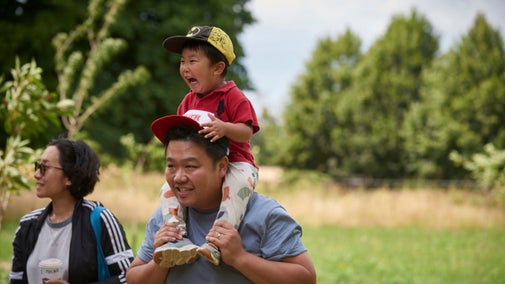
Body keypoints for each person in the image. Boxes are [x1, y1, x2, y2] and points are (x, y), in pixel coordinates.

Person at [125, 114, 316, 283]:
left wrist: (240, 259)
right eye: (171, 166)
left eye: (190, 166)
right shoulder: (166, 217)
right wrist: (162, 261)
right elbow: (133, 278)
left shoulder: (264, 214)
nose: (178, 177)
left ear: (222, 166)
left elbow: (306, 278)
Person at [155, 25, 260, 267]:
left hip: (236, 163)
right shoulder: (188, 100)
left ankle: (216, 243)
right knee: (166, 190)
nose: (185, 68)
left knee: (236, 188)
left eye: (193, 61)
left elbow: (247, 132)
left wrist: (225, 128)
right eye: (182, 62)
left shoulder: (233, 96)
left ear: (218, 67)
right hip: (200, 168)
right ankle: (175, 236)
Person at [10, 137, 134, 284]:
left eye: (45, 168)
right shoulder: (27, 225)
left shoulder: (100, 219)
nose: (36, 174)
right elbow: (16, 280)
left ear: (69, 177)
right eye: (37, 166)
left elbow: (129, 278)